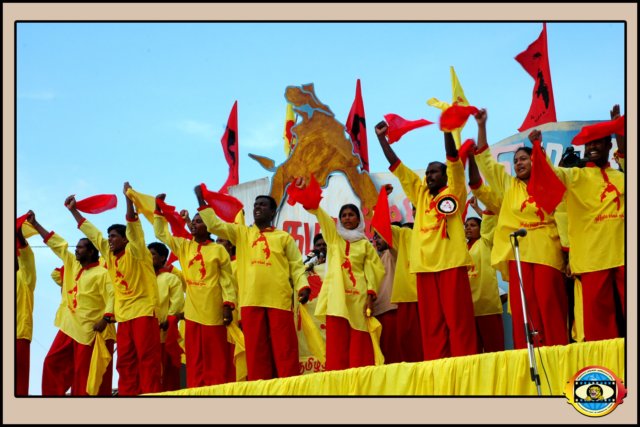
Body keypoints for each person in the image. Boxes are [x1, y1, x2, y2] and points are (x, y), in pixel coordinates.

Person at [375, 121, 477, 361]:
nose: (429, 176)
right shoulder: (419, 193)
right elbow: (397, 166)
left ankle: (465, 366)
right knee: (432, 325)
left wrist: (447, 130)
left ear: (445, 176)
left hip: (451, 264)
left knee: (458, 322)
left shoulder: (455, 191)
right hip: (424, 269)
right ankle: (437, 368)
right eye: (427, 172)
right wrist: (381, 139)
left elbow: (453, 159)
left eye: (434, 172)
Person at [527, 104, 626, 342]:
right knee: (598, 324)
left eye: (598, 143)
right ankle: (604, 364)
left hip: (624, 256)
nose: (592, 147)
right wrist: (538, 148)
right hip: (592, 259)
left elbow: (626, 156)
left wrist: (619, 128)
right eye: (588, 144)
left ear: (609, 145)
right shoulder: (575, 176)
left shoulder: (622, 176)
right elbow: (552, 174)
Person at [473, 109, 568, 349]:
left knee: (550, 307)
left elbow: (563, 214)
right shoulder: (508, 185)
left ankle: (558, 357)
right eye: (515, 161)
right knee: (525, 311)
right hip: (519, 255)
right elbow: (485, 160)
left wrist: (568, 254)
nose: (518, 163)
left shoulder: (548, 181)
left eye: (523, 159)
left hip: (547, 252)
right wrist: (482, 126)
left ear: (535, 160)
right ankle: (527, 359)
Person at [196, 188, 310, 381]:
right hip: (250, 300)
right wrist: (201, 201)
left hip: (279, 299)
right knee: (256, 350)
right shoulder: (242, 233)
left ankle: (290, 388)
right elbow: (215, 225)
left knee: (285, 348)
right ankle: (259, 390)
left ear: (272, 212)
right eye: (256, 205)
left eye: (263, 205)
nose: (257, 207)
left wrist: (303, 286)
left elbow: (297, 266)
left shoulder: (284, 237)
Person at [66, 182, 162, 395]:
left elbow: (134, 229)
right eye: (108, 236)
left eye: (114, 236)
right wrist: (74, 211)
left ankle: (151, 397)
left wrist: (128, 199)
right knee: (125, 361)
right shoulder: (109, 255)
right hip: (124, 316)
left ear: (125, 239)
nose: (109, 240)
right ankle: (128, 397)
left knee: (147, 359)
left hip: (144, 311)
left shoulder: (138, 252)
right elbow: (93, 234)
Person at [289, 189, 384, 370]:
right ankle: (338, 381)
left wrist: (370, 298)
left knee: (359, 339)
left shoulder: (365, 245)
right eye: (344, 215)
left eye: (351, 215)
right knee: (337, 343)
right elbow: (324, 219)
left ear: (359, 219)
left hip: (358, 298)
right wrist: (314, 205)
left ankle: (360, 380)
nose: (347, 218)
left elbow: (374, 270)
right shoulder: (334, 239)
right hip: (337, 298)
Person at [27, 210, 116, 396]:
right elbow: (56, 243)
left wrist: (106, 319)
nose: (76, 250)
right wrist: (35, 224)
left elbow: (112, 296)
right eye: (77, 247)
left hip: (88, 330)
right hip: (68, 326)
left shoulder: (103, 273)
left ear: (91, 252)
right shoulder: (72, 263)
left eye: (81, 247)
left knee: (83, 374)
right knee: (51, 363)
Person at [154, 197, 236, 387]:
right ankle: (195, 392)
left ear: (208, 226)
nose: (193, 224)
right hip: (191, 313)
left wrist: (228, 305)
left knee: (215, 358)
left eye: (199, 222)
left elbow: (227, 281)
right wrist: (158, 211)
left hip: (213, 311)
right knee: (194, 358)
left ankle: (216, 393)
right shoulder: (184, 246)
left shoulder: (218, 250)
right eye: (193, 221)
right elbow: (161, 233)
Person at [147, 242, 185, 391]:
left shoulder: (171, 279)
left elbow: (177, 303)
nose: (148, 257)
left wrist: (168, 320)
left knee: (166, 375)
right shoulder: (142, 278)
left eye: (152, 254)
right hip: (144, 333)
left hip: (163, 333)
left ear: (163, 258)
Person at [372, 232, 401, 364]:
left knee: (393, 355)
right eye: (375, 237)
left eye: (380, 236)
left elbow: (391, 242)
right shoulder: (375, 258)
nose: (376, 240)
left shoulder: (392, 254)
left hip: (390, 310)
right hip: (376, 313)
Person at [16, 223, 36, 396]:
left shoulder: (25, 278)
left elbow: (27, 257)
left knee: (18, 386)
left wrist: (18, 235)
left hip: (19, 335)